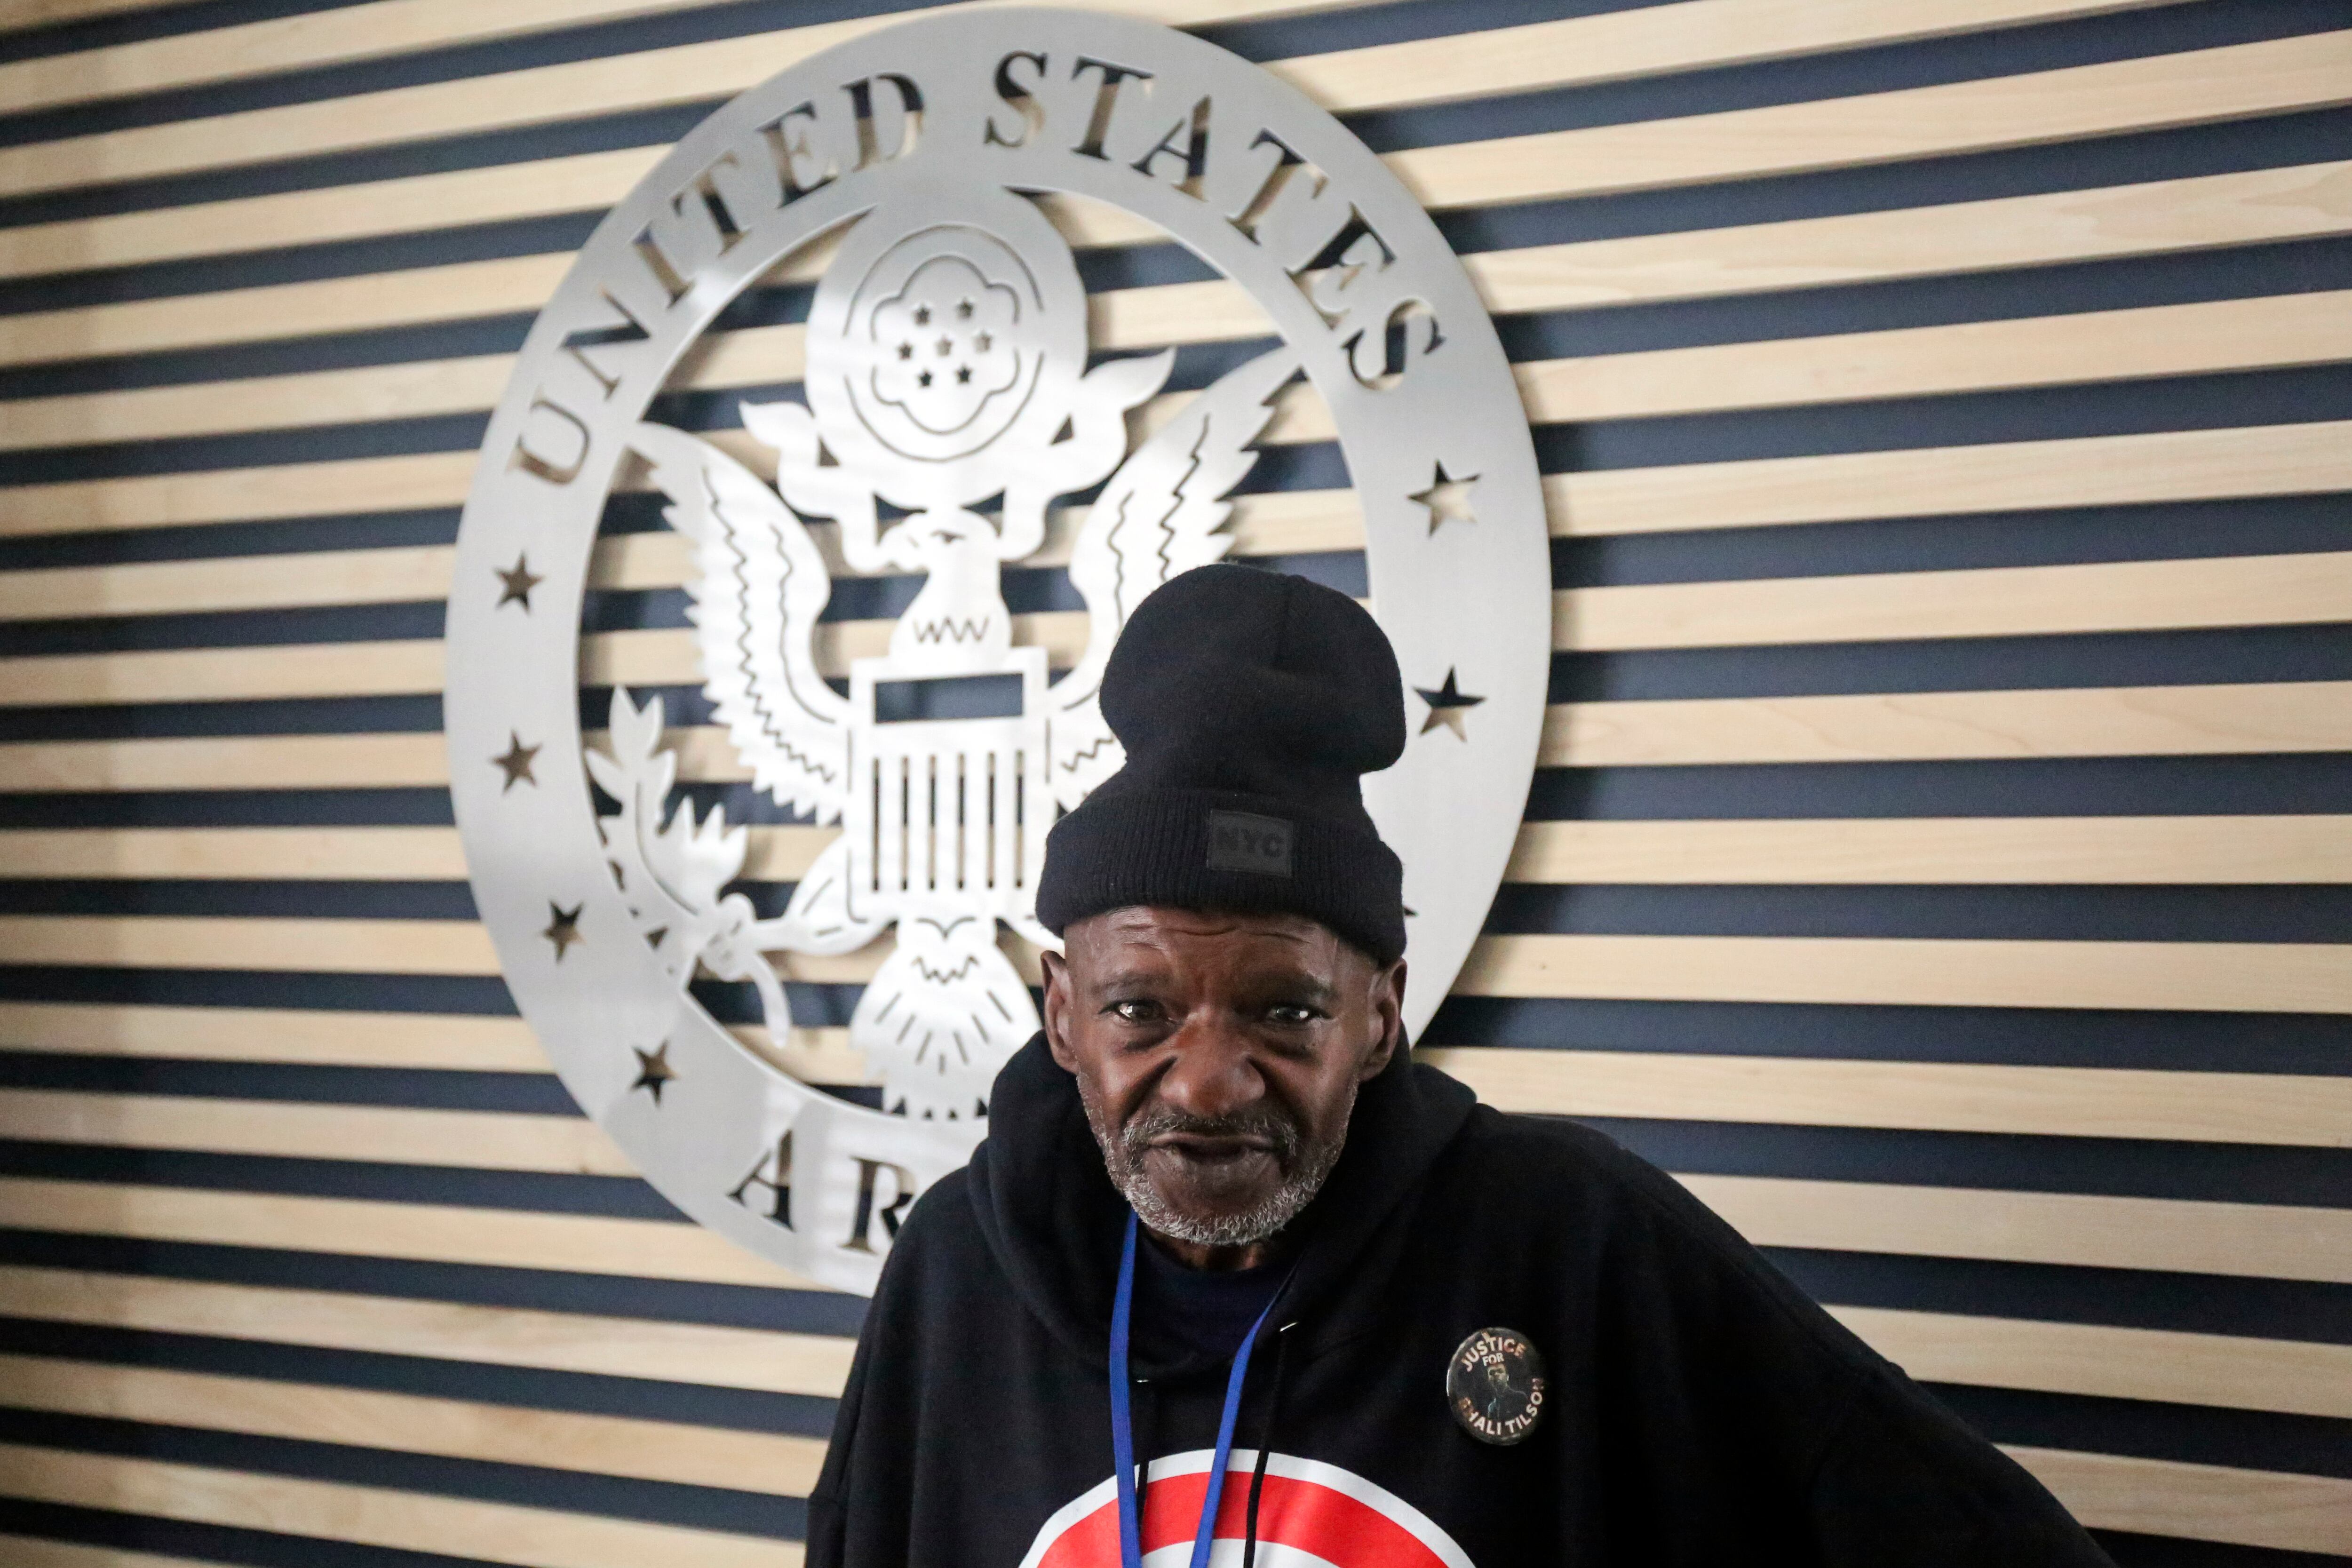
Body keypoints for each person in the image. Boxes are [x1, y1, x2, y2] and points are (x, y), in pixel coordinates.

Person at [809, 565, 2113, 1568]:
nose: (1208, 1083)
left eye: (1285, 1015)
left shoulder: (1572, 1240)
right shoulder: (958, 1275)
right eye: (1142, 1011)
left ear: (1380, 1015)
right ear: (1060, 1016)